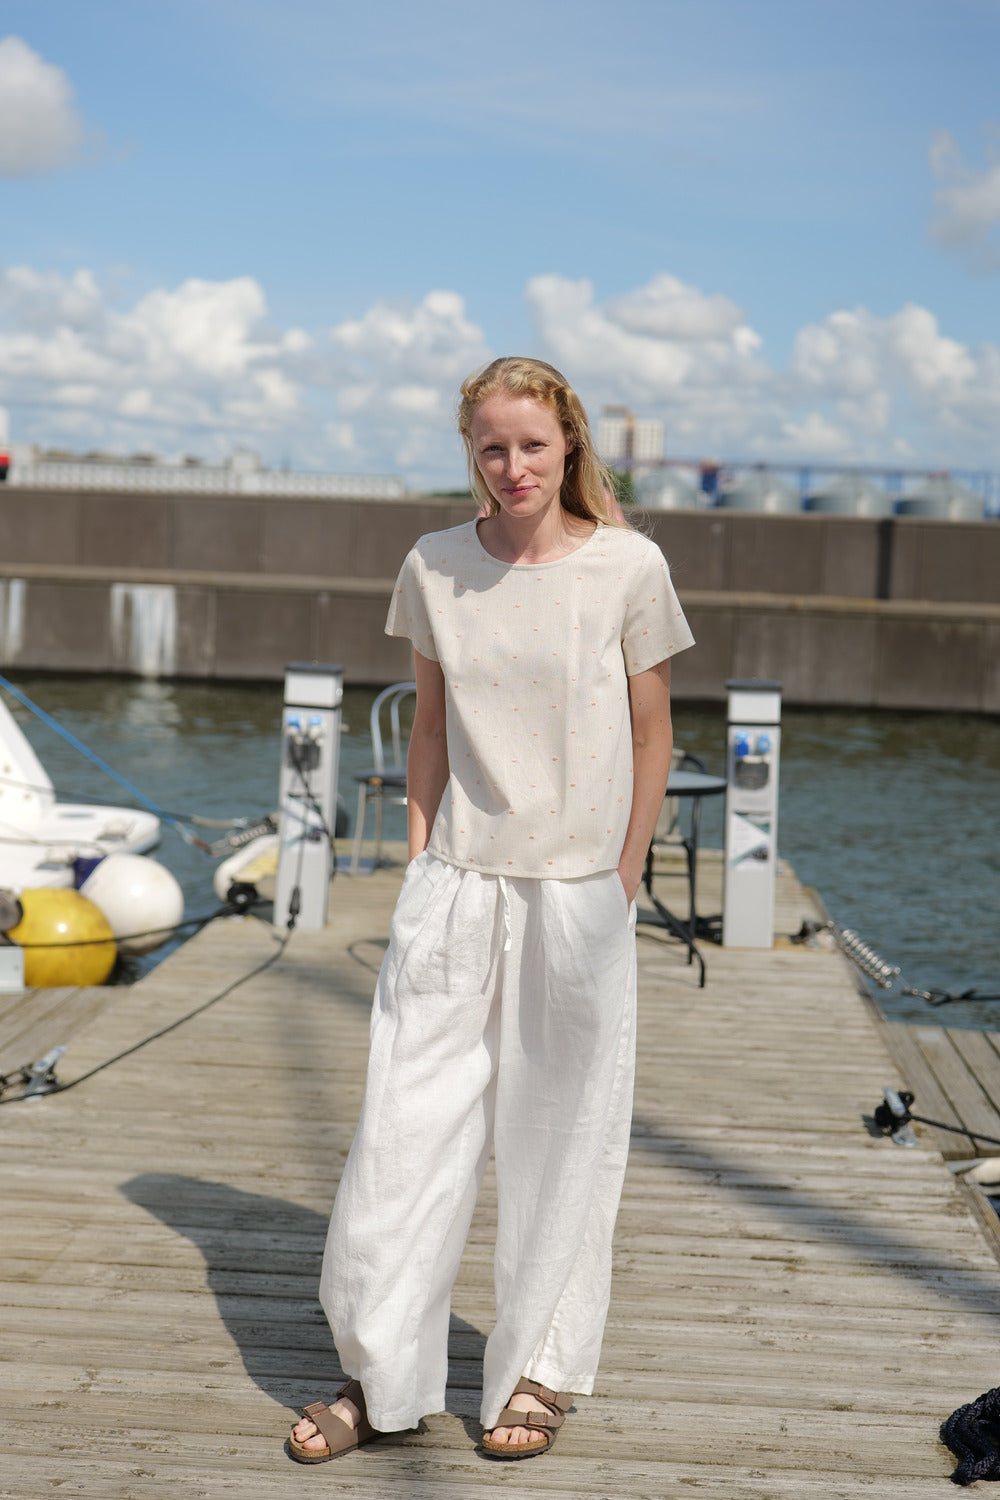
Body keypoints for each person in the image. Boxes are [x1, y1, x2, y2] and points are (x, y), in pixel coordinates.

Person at [288, 356, 694, 1465]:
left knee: (563, 1145)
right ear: (468, 451)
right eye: (490, 447)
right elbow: (428, 729)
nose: (512, 466)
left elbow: (653, 735)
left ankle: (537, 1371)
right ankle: (381, 1376)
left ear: (568, 443)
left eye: (530, 444)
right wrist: (421, 864)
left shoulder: (629, 568)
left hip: (576, 898)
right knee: (402, 1141)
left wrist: (620, 879)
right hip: (456, 887)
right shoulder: (432, 563)